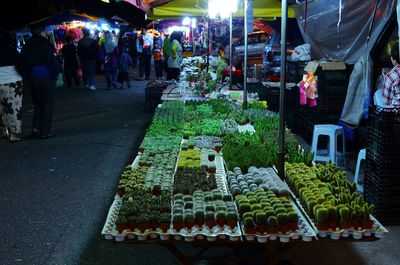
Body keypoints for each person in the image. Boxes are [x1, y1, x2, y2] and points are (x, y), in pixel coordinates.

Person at [21, 27, 61, 139]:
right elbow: (55, 64)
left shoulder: (27, 47)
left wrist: (28, 76)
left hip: (33, 79)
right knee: (48, 105)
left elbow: (22, 64)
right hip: (47, 78)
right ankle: (45, 131)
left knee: (38, 105)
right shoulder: (46, 46)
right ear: (41, 33)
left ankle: (35, 129)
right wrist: (55, 76)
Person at [0, 30, 24, 142]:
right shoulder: (12, 51)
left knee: (2, 109)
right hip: (13, 83)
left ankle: (5, 131)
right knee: (14, 109)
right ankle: (13, 134)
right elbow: (21, 66)